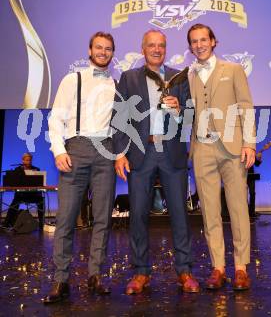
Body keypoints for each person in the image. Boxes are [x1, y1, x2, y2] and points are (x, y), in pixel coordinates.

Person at [113, 29, 199, 294]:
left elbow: (191, 116)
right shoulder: (129, 78)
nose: (157, 49)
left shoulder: (179, 77)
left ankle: (184, 271)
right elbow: (119, 118)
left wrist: (179, 109)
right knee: (138, 214)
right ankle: (141, 272)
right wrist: (119, 153)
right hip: (141, 152)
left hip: (172, 151)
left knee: (179, 214)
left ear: (166, 48)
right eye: (151, 45)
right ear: (143, 49)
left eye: (161, 45)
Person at [44, 31, 116, 304]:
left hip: (105, 152)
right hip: (75, 150)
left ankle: (95, 275)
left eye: (108, 49)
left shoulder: (115, 84)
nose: (103, 52)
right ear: (89, 51)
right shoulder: (71, 79)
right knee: (65, 220)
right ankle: (61, 279)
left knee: (102, 219)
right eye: (99, 47)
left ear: (112, 53)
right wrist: (59, 150)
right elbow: (56, 118)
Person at [187, 23, 255, 291]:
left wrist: (249, 142)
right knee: (210, 212)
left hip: (233, 147)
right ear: (190, 46)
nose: (199, 44)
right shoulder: (189, 75)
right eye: (194, 41)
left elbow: (245, 106)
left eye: (204, 39)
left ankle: (240, 268)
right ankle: (218, 268)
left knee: (238, 208)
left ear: (214, 41)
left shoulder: (233, 70)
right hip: (202, 149)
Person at [3, 152, 44, 229]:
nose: (29, 162)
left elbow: (40, 183)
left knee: (41, 200)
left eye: (30, 160)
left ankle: (41, 223)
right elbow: (14, 183)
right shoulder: (17, 170)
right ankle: (7, 223)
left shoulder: (36, 169)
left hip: (33, 195)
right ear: (23, 160)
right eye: (27, 160)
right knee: (15, 202)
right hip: (21, 195)